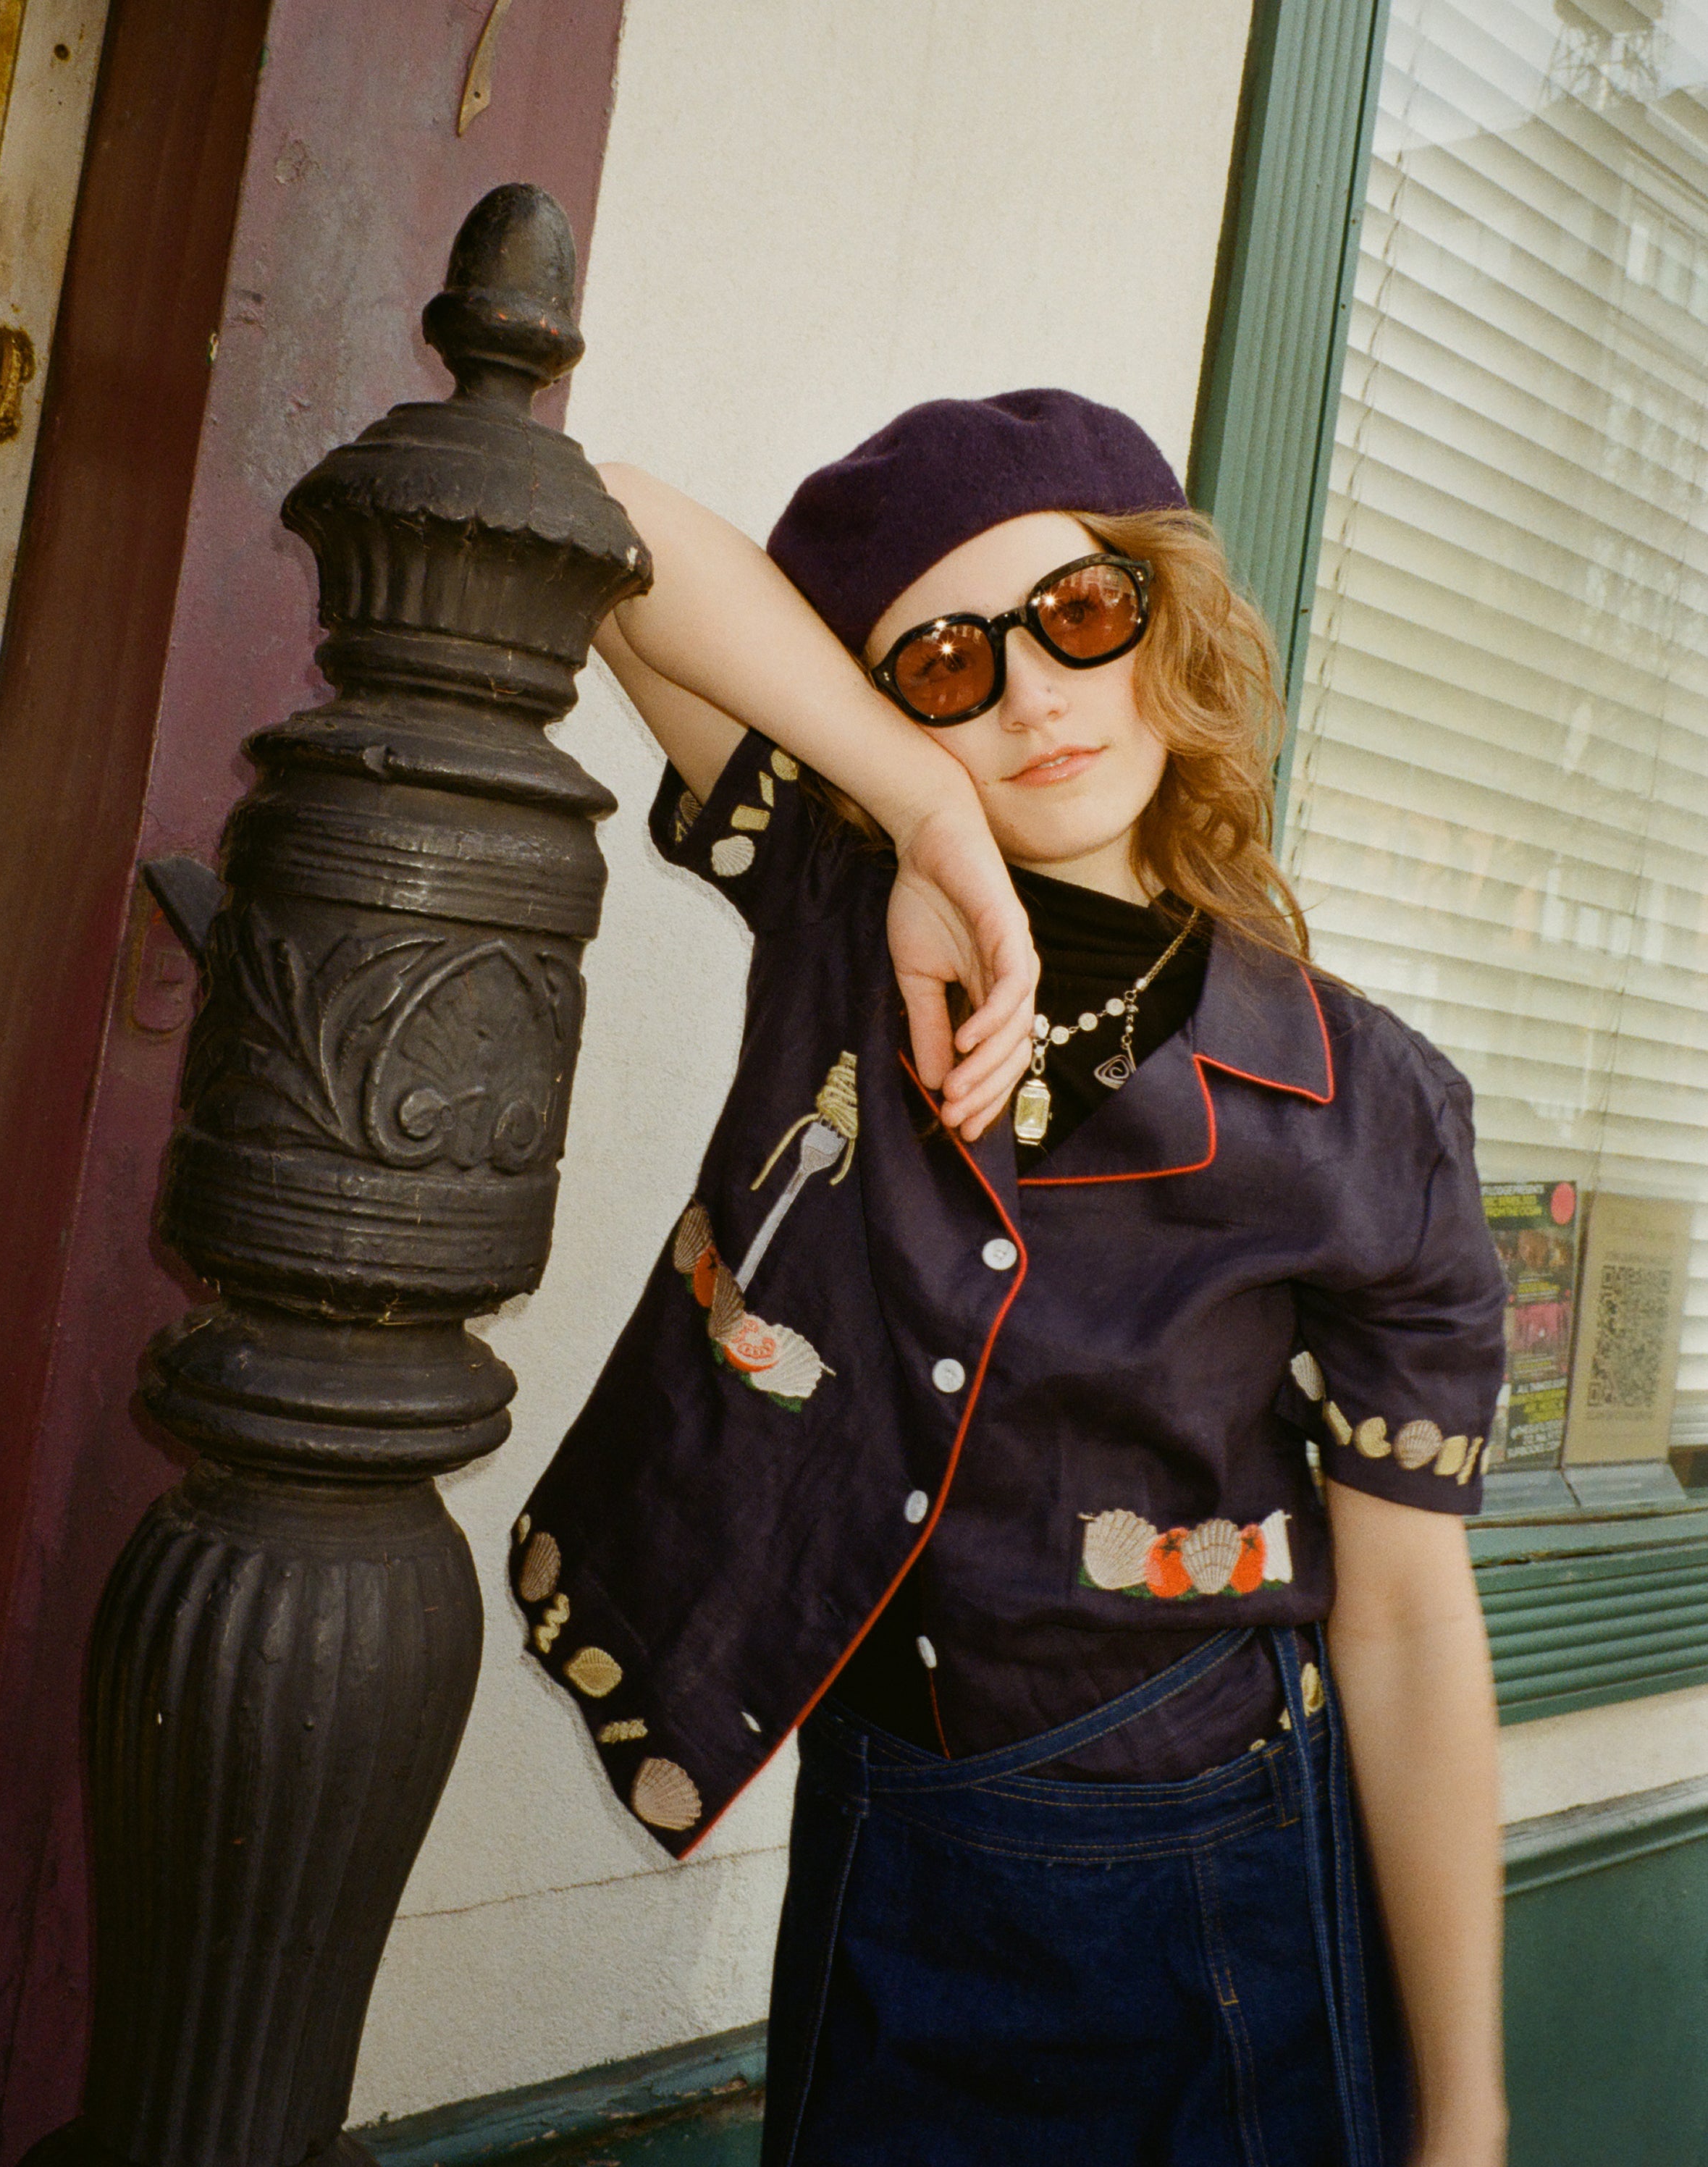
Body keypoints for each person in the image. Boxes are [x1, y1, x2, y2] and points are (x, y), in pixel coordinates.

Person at [510, 390, 1510, 2167]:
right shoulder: (838, 902)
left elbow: (1414, 1623)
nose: (1031, 696)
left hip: (1221, 1860)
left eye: (1075, 617)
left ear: (1165, 622)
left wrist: (1468, 2111)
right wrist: (920, 823)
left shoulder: (1374, 1110)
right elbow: (581, 508)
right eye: (943, 667)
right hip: (898, 1831)